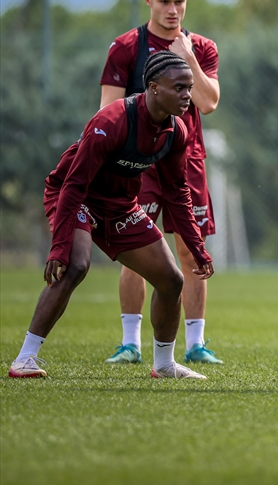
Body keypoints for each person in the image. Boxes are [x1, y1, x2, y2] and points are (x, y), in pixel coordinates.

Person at [9, 52, 213, 380]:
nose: (187, 95)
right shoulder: (112, 121)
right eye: (179, 87)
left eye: (189, 88)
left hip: (120, 206)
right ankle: (25, 359)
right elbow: (73, 185)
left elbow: (176, 192)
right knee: (75, 265)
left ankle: (163, 365)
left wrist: (196, 247)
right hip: (77, 198)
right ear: (154, 88)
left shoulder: (176, 132)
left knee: (172, 280)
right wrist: (59, 248)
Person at [99, 0, 223, 366]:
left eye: (180, 2)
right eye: (165, 2)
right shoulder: (126, 47)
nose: (172, 10)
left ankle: (196, 343)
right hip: (139, 164)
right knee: (139, 251)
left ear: (187, 1)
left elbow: (209, 102)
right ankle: (130, 342)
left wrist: (187, 57)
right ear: (149, 0)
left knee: (191, 251)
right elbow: (108, 111)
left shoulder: (202, 47)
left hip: (188, 161)